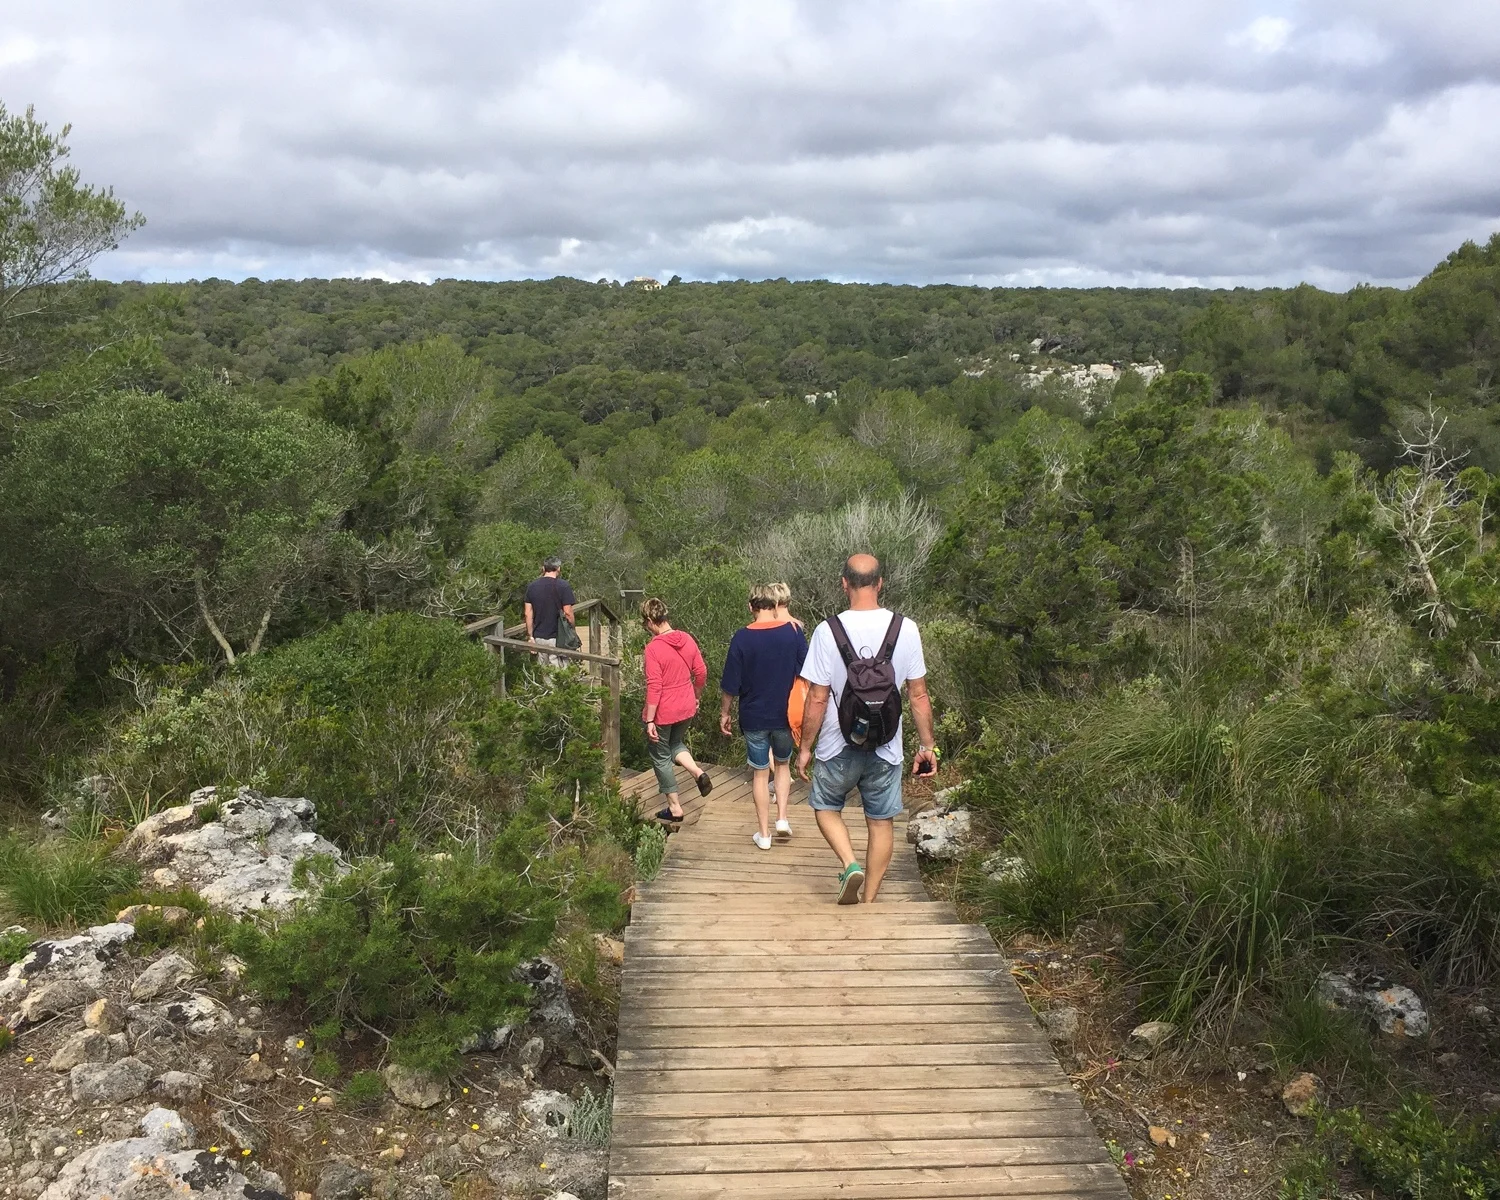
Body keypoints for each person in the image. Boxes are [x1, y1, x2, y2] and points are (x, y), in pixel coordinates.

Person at [796, 554, 938, 904]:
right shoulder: (906, 628)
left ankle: (849, 864)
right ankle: (870, 900)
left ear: (844, 583)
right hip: (886, 747)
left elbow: (816, 697)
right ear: (880, 583)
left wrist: (804, 748)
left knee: (826, 807)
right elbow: (918, 695)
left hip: (837, 744)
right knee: (881, 821)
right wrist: (928, 746)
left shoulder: (827, 630)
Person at [719, 584, 808, 849]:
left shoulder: (741, 637)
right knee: (782, 765)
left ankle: (764, 834)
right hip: (785, 715)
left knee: (760, 774)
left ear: (751, 607)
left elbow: (729, 684)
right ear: (775, 604)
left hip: (754, 716)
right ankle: (782, 819)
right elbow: (807, 671)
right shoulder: (793, 633)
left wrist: (725, 713)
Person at [641, 597, 712, 822]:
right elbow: (701, 672)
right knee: (675, 744)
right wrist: (696, 696)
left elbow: (655, 686)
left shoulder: (653, 648)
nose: (645, 628)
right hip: (686, 705)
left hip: (664, 711)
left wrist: (650, 720)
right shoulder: (687, 639)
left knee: (660, 756)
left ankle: (675, 808)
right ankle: (698, 773)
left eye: (645, 623)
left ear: (652, 620)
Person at [524, 557, 576, 668]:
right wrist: (572, 629)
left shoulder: (532, 587)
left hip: (539, 637)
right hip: (559, 637)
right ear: (558, 568)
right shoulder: (563, 586)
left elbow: (528, 613)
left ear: (543, 568)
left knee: (545, 672)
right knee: (560, 673)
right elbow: (568, 613)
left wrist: (530, 637)